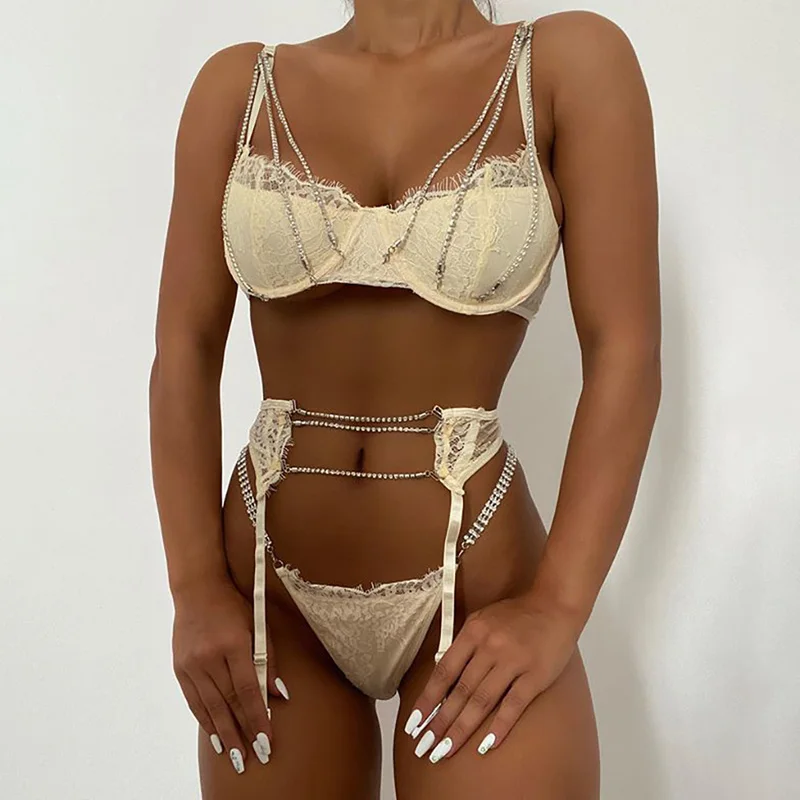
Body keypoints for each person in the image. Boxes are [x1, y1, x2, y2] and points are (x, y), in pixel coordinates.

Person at [149, 1, 660, 797]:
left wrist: (558, 607)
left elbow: (626, 353)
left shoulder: (565, 64)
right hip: (269, 600)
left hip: (478, 592)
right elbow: (183, 352)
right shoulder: (240, 86)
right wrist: (193, 590)